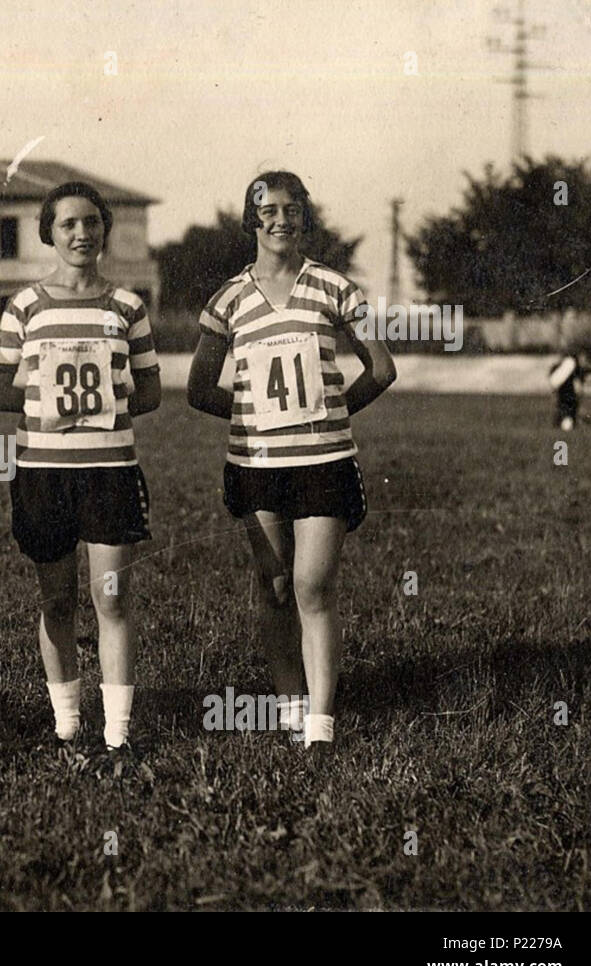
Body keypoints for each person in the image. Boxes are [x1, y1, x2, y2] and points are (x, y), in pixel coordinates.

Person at [187, 170, 396, 753]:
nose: (281, 220)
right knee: (275, 586)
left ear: (305, 215)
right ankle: (288, 706)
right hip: (255, 466)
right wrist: (253, 414)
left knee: (314, 584)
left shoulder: (334, 288)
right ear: (251, 221)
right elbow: (201, 388)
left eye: (292, 209)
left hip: (324, 462)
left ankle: (322, 724)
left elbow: (380, 368)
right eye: (268, 210)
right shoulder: (227, 299)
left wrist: (333, 411)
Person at [0, 182, 161, 755]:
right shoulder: (25, 306)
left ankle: (118, 729)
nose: (82, 234)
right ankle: (66, 720)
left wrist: (105, 399)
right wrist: (51, 397)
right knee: (57, 599)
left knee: (111, 599)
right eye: (68, 225)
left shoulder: (127, 305)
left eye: (91, 223)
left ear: (104, 229)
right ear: (49, 233)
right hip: (43, 471)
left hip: (109, 470)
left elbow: (152, 391)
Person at [548, 344, 591, 431]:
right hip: (564, 391)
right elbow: (555, 381)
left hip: (565, 391)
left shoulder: (575, 365)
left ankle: (565, 420)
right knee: (568, 416)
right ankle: (564, 420)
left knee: (570, 412)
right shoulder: (570, 363)